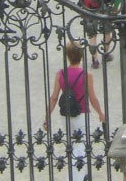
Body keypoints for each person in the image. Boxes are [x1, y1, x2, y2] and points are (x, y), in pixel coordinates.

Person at [46, 42, 106, 175]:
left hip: (65, 113)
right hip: (81, 112)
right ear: (81, 56)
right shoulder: (86, 75)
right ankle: (76, 176)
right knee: (80, 146)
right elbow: (92, 98)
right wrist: (101, 113)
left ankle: (81, 175)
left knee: (72, 143)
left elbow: (54, 97)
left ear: (67, 56)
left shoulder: (60, 74)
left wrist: (47, 117)